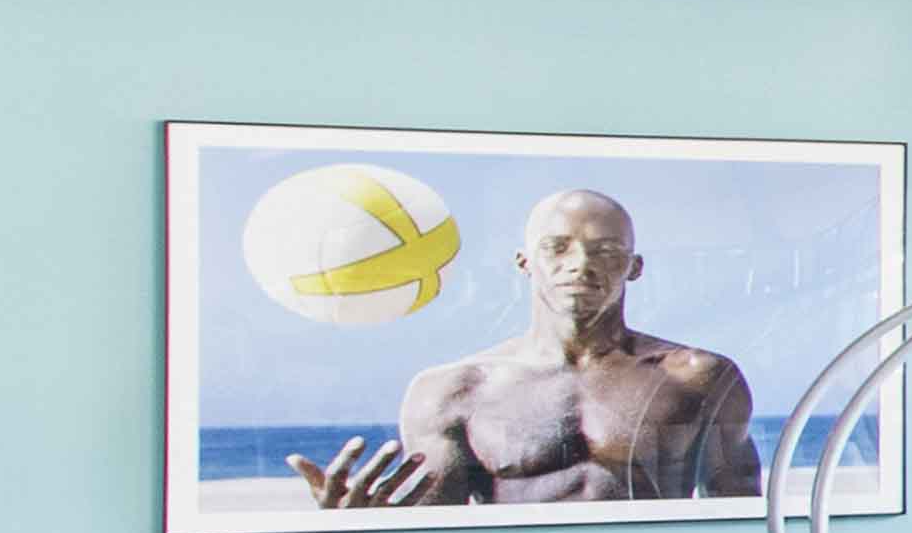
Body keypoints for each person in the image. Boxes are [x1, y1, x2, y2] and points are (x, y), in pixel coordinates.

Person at [318, 188, 763, 507]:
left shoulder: (697, 377)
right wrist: (359, 529)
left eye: (606, 250)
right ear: (525, 262)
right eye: (557, 248)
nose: (580, 265)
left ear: (635, 266)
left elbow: (740, 517)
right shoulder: (454, 391)